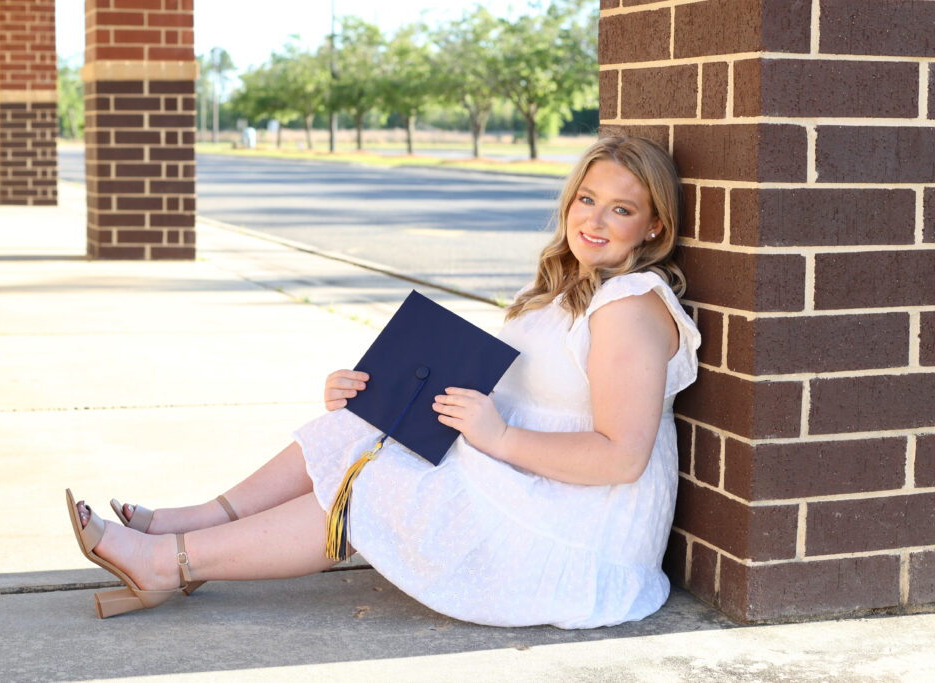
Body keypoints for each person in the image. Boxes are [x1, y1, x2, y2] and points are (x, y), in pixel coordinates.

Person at [67, 135, 701, 628]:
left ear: (653, 228)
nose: (594, 219)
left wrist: (500, 439)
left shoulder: (627, 308)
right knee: (361, 420)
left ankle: (170, 563)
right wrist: (379, 393)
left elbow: (622, 458)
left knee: (376, 485)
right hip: (528, 478)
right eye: (587, 199)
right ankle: (196, 523)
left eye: (621, 209)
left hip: (577, 534)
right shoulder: (566, 288)